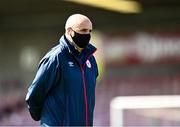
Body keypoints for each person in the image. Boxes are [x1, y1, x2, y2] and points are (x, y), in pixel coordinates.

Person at [25, 13, 99, 126]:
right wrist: (48, 120)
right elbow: (34, 95)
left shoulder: (91, 60)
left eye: (90, 31)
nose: (87, 34)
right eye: (83, 30)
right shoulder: (56, 58)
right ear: (70, 31)